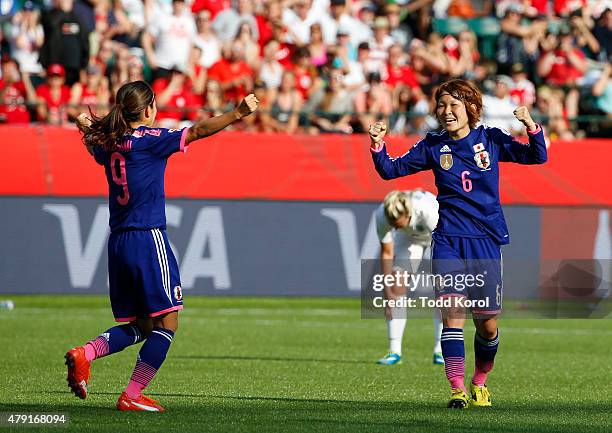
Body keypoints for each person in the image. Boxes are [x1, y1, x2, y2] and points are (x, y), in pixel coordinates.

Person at [65, 81, 258, 412]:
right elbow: (197, 130)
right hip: (147, 237)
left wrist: (86, 128)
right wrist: (238, 112)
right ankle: (132, 394)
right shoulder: (152, 142)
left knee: (142, 324)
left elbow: (94, 144)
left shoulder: (111, 144)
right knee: (168, 322)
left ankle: (86, 353)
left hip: (118, 242)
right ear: (150, 109)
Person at [368, 79, 547, 408]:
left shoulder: (490, 139)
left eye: (453, 105)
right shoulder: (433, 145)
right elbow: (390, 171)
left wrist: (532, 126)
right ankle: (456, 390)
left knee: (487, 324)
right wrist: (378, 146)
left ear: (472, 108)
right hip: (449, 239)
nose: (446, 112)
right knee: (452, 313)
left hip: (486, 241)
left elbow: (537, 157)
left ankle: (479, 381)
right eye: (442, 105)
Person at [374, 190, 444, 366]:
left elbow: (444, 244)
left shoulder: (428, 211)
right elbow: (387, 252)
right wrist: (387, 292)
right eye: (392, 225)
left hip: (439, 237)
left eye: (397, 224)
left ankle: (440, 351)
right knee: (396, 285)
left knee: (444, 289)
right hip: (409, 239)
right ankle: (394, 351)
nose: (395, 228)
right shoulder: (382, 214)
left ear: (408, 214)